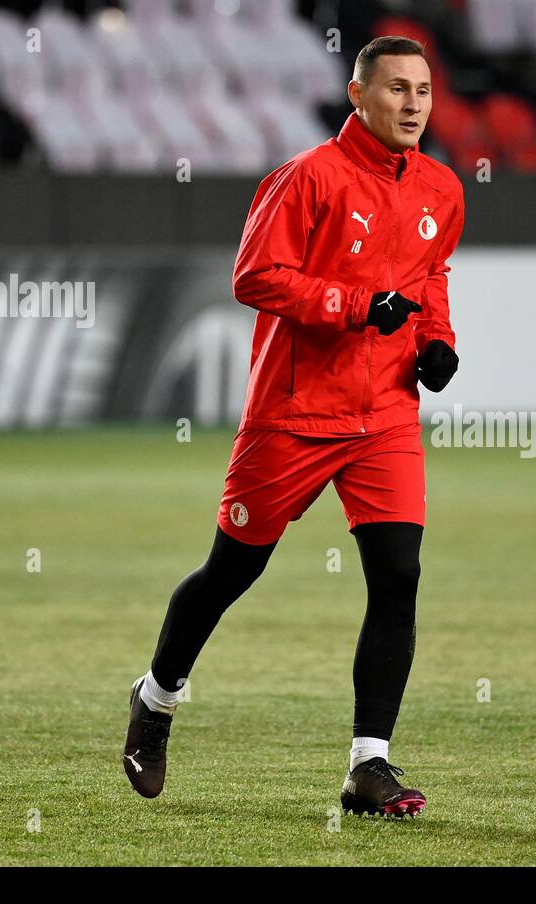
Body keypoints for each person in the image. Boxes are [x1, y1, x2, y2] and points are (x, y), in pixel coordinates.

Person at [122, 36, 464, 817]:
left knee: (399, 573)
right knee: (232, 573)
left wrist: (436, 341)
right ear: (357, 95)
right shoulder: (306, 178)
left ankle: (367, 767)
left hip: (384, 413)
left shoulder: (443, 188)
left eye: (424, 91)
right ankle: (157, 698)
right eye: (397, 90)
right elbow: (253, 275)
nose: (414, 104)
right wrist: (348, 306)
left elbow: (431, 275)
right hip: (294, 412)